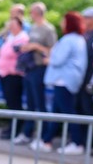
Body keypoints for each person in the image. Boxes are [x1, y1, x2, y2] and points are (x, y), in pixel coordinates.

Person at [33, 12, 89, 154]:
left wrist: (48, 59)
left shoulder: (69, 39)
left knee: (68, 112)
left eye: (64, 21)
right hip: (68, 79)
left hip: (64, 80)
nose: (61, 24)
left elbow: (58, 59)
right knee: (57, 113)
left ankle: (77, 143)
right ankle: (47, 141)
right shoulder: (78, 39)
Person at [15, 2, 56, 143]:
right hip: (29, 67)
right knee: (30, 103)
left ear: (37, 13)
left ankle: (44, 136)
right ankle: (27, 133)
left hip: (40, 68)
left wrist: (36, 46)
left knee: (40, 102)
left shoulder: (48, 29)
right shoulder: (32, 28)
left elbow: (52, 50)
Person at [0, 16, 29, 137]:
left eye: (13, 25)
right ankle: (11, 126)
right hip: (4, 73)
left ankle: (16, 129)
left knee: (15, 103)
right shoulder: (10, 37)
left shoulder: (23, 38)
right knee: (10, 102)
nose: (10, 27)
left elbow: (16, 54)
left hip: (14, 74)